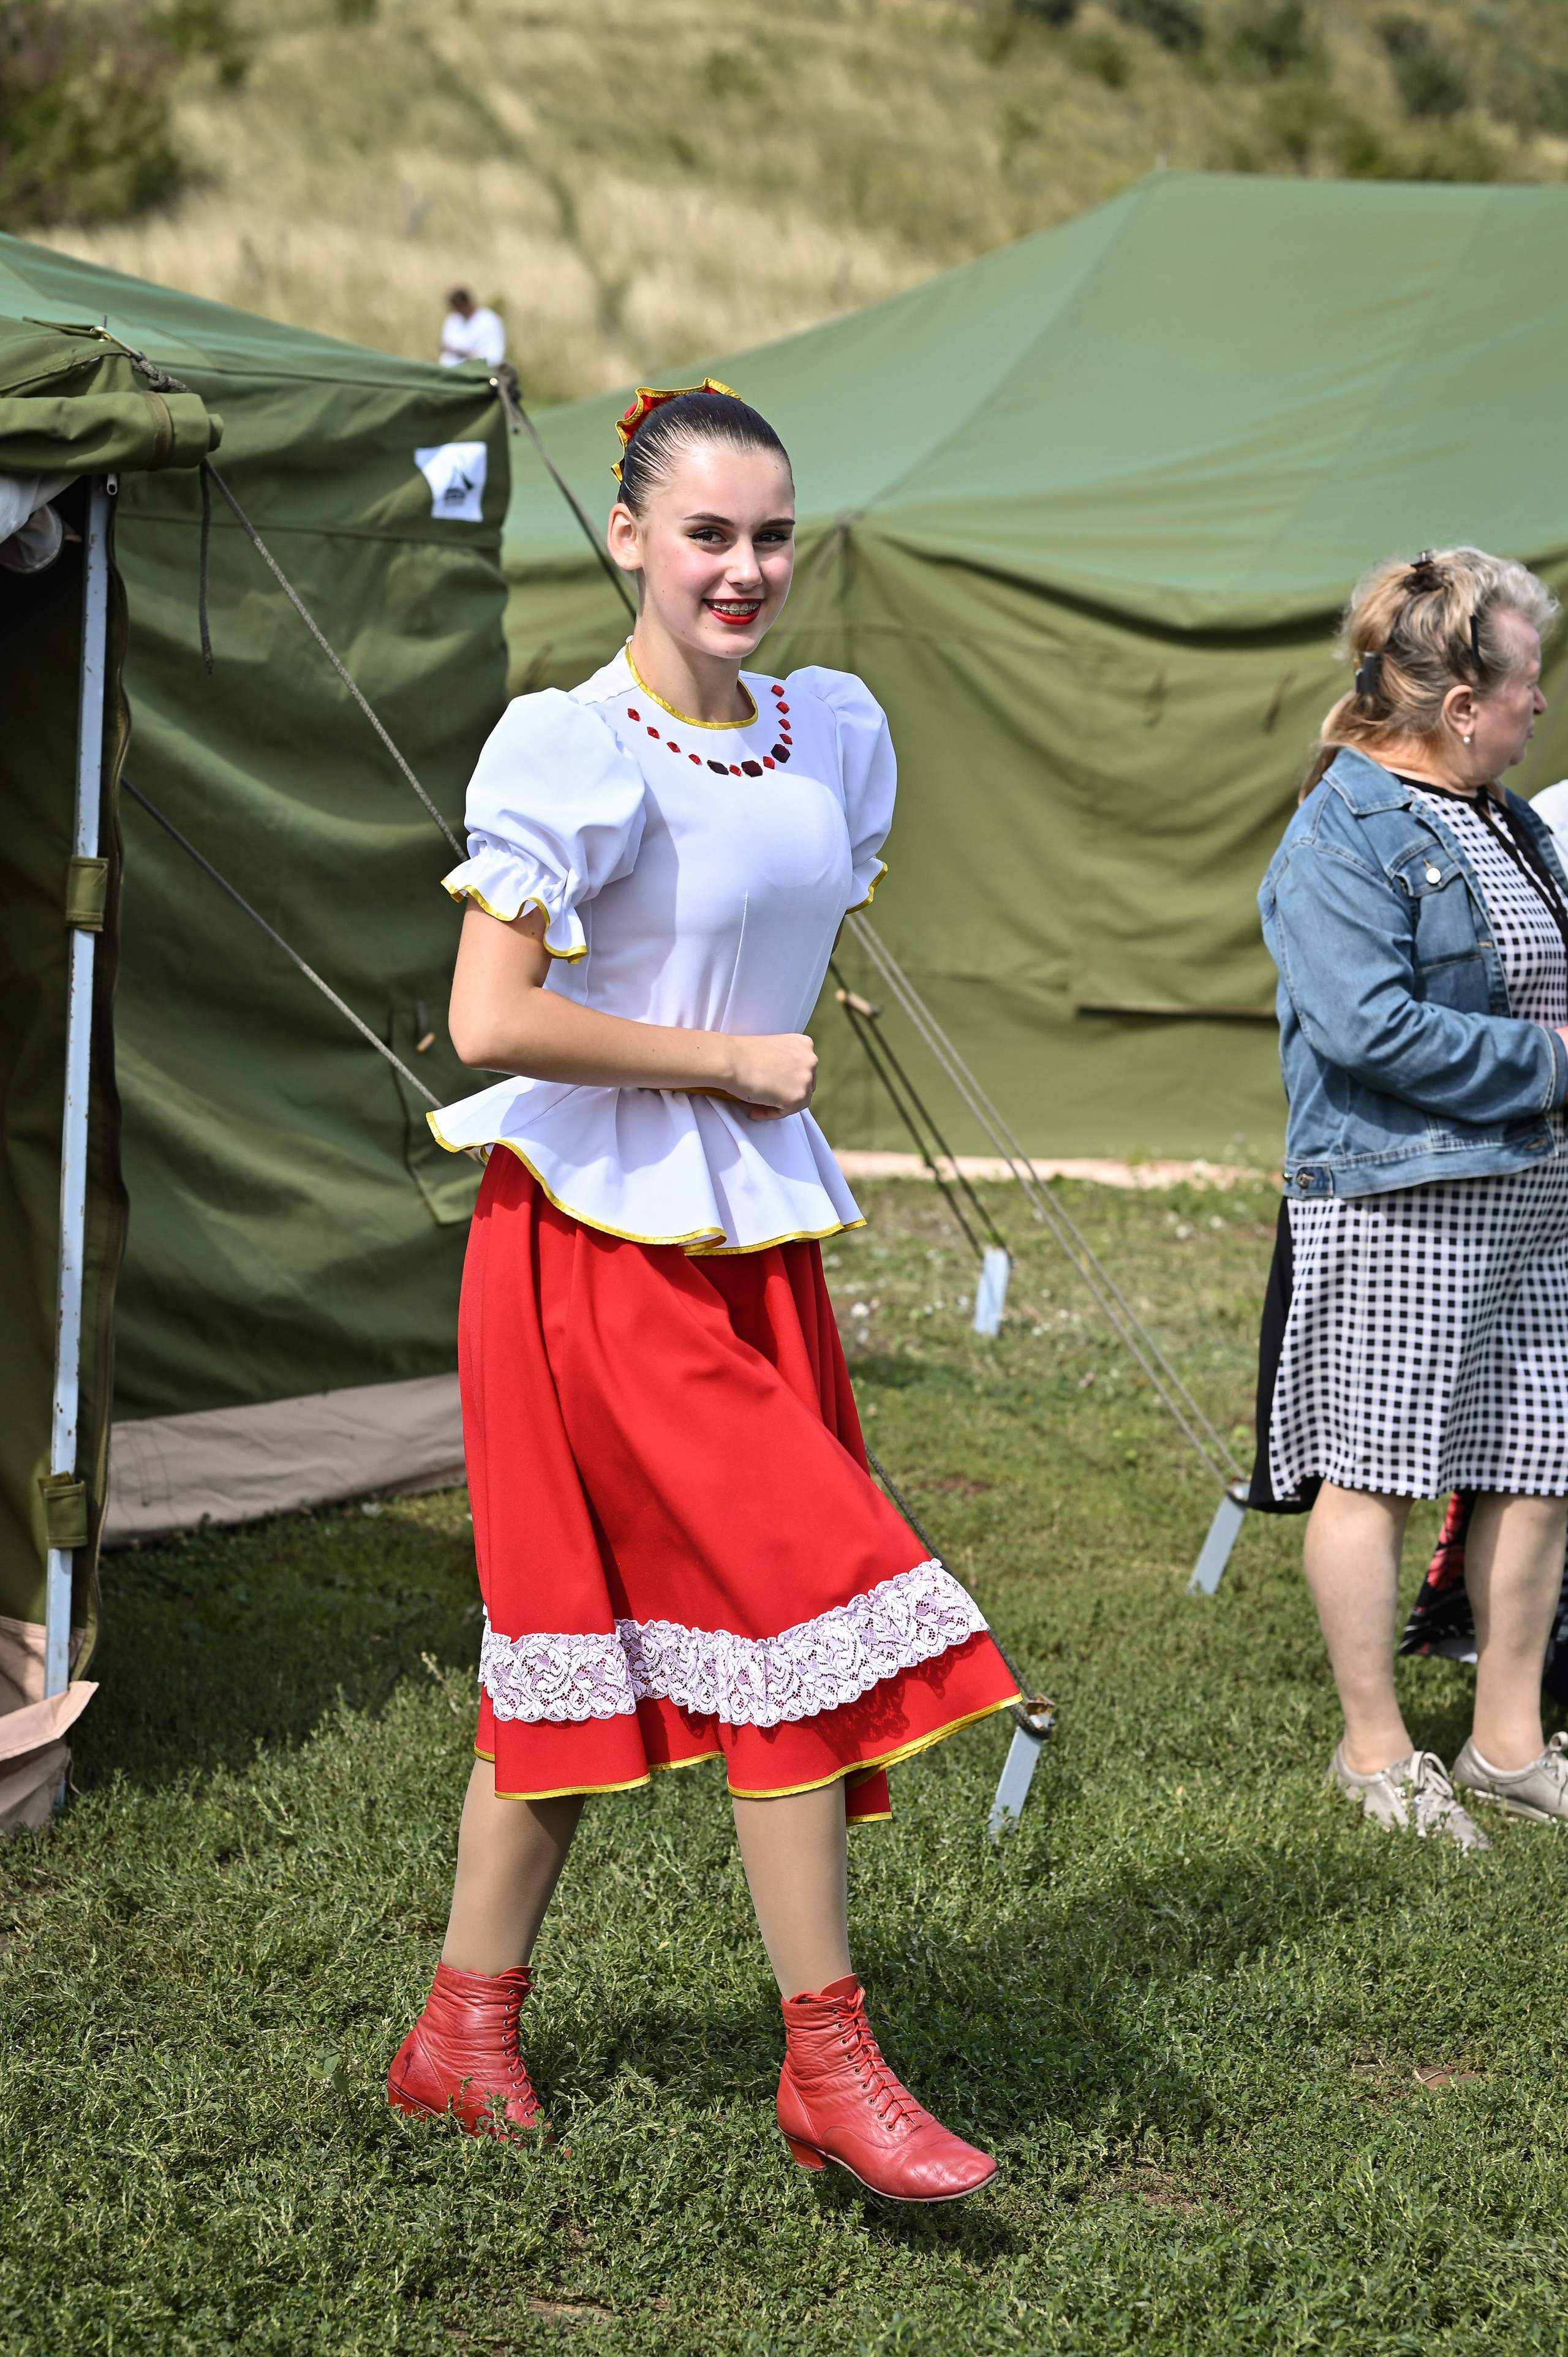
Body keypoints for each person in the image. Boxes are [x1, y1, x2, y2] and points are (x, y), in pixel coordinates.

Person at [385, 380, 1020, 2199]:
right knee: (794, 1592)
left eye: (770, 535)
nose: (743, 568)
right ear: (628, 539)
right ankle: (829, 2057)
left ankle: (459, 2032)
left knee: (611, 1638)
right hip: (590, 1249)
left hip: (748, 1246)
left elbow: (783, 910)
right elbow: (487, 1018)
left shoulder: (832, 729)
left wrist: (750, 1068)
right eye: (706, 534)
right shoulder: (569, 743)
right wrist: (728, 1061)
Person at [1252, 546, 1568, 1848]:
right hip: (1402, 1198)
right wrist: (1552, 1061)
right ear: (1462, 704)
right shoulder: (1342, 832)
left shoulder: (1503, 814)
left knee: (1535, 1461)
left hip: (1528, 1192)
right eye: (1527, 683)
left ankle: (1504, 1744)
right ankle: (1374, 1749)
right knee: (1376, 1473)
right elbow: (1366, 1028)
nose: (1539, 703)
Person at [438, 287, 505, 369]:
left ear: (467, 303)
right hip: (451, 371)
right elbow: (446, 346)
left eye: (460, 307)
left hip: (479, 370)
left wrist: (468, 354)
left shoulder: (490, 321)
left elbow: (494, 357)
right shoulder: (453, 320)